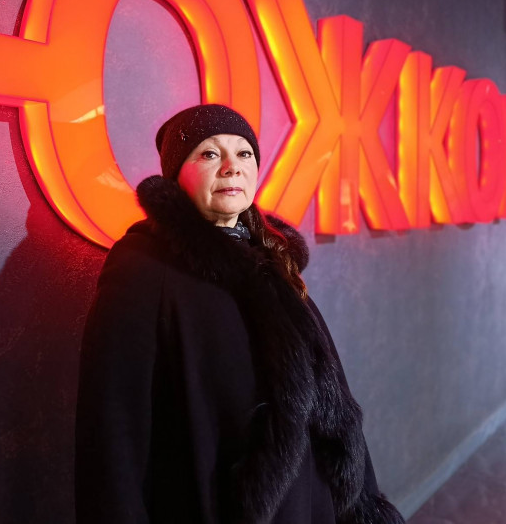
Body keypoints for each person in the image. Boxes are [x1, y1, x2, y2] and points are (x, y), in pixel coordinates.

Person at [75, 104, 404, 524]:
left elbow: (334, 400)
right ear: (177, 175)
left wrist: (361, 502)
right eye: (209, 154)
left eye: (244, 153)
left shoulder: (271, 257)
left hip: (308, 506)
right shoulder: (143, 267)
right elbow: (112, 430)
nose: (232, 167)